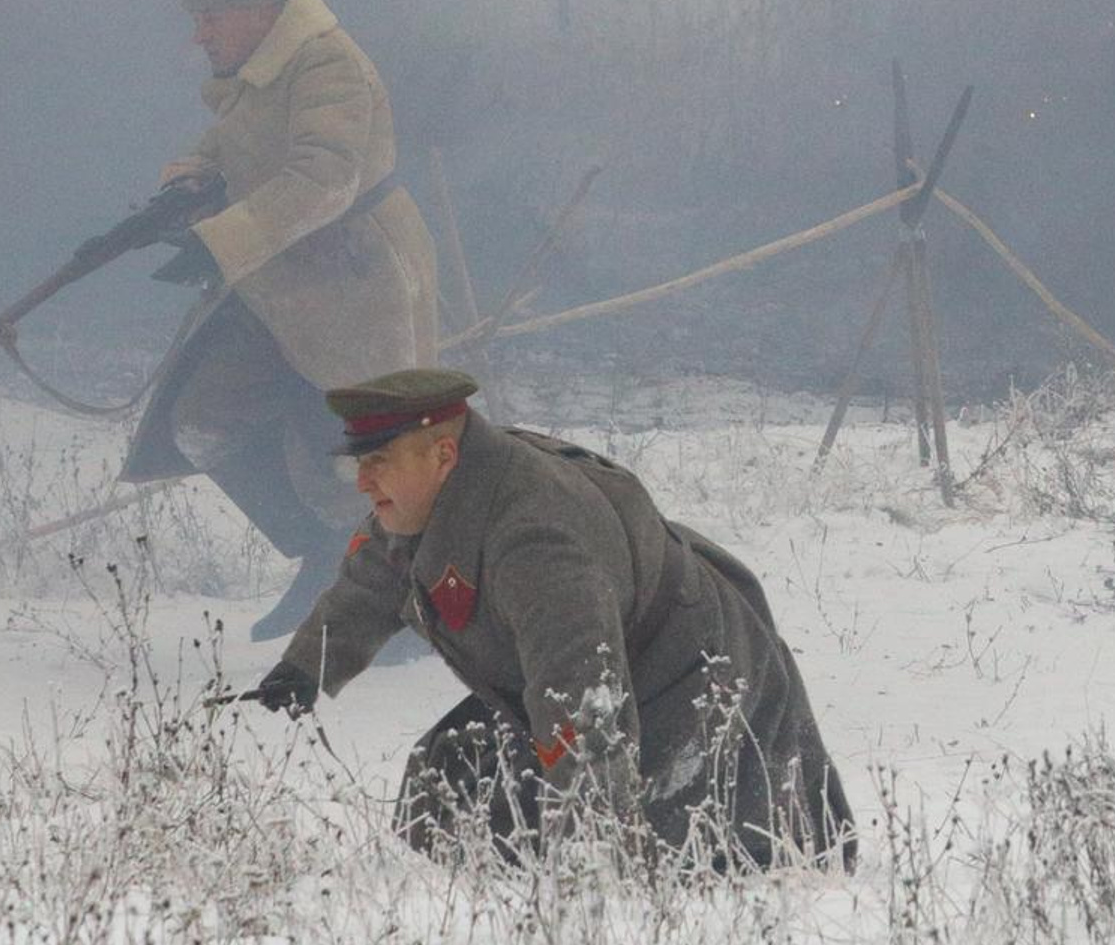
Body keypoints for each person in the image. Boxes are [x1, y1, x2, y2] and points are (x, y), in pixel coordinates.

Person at [235, 369, 855, 868]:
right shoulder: (425, 497)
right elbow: (374, 580)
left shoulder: (536, 539)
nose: (363, 482)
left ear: (443, 454)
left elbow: (583, 703)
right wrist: (304, 669)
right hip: (604, 667)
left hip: (689, 672)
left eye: (378, 462)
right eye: (358, 463)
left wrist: (592, 863)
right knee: (449, 792)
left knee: (705, 853)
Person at [126, 0, 440, 639]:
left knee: (359, 456)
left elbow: (324, 177)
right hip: (278, 286)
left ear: (254, 10)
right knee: (204, 419)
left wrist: (222, 238)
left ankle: (393, 608)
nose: (198, 32)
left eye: (209, 17)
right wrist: (191, 177)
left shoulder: (327, 64)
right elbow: (235, 140)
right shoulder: (258, 66)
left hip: (356, 284)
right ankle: (326, 559)